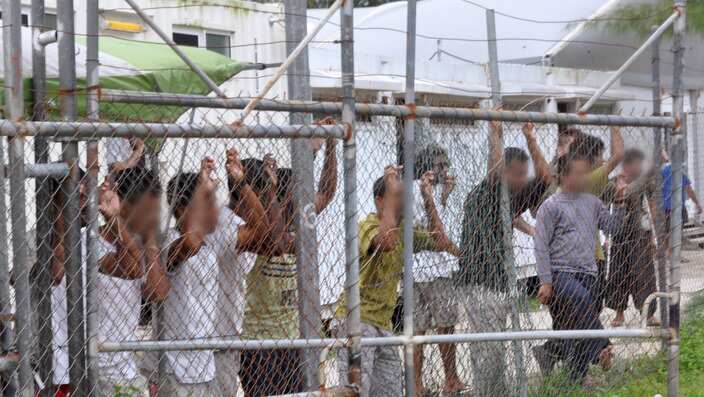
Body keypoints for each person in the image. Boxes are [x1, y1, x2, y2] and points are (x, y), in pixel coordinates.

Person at [334, 165, 458, 397]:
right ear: (381, 201)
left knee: (391, 391)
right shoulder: (365, 226)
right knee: (355, 392)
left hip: (383, 323)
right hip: (356, 321)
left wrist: (428, 198)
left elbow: (440, 241)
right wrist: (392, 193)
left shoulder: (404, 229)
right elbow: (386, 242)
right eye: (398, 196)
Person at [162, 150, 269, 396]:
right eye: (207, 203)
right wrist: (203, 188)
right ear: (181, 208)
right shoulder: (169, 242)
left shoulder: (212, 241)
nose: (215, 210)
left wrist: (241, 183)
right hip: (176, 371)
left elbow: (262, 231)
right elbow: (189, 243)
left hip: (206, 367)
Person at [458, 121, 551, 396]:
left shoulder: (510, 197)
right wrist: (494, 130)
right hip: (480, 283)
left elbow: (545, 178)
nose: (523, 180)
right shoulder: (488, 193)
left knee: (498, 352)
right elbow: (496, 171)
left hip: (500, 281)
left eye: (525, 174)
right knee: (488, 356)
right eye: (518, 174)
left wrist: (530, 139)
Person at [240, 138, 337, 397]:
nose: (305, 200)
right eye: (297, 193)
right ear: (284, 196)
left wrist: (332, 145)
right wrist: (273, 194)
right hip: (259, 340)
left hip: (294, 336)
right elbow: (279, 242)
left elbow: (327, 192)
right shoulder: (261, 229)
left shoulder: (298, 222)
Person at [532, 127, 624, 374]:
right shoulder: (550, 206)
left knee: (578, 321)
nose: (584, 178)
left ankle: (578, 376)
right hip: (561, 273)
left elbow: (612, 226)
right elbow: (540, 245)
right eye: (579, 174)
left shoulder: (592, 202)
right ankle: (603, 347)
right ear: (563, 176)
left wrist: (621, 202)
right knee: (580, 300)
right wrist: (546, 281)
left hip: (589, 271)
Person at [96, 167, 171, 395]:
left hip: (125, 368)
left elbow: (158, 293)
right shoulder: (89, 242)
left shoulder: (146, 246)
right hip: (95, 368)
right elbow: (131, 268)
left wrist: (149, 240)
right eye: (148, 210)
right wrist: (116, 220)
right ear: (124, 205)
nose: (154, 217)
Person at [410, 144, 465, 396]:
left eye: (445, 164)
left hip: (415, 270)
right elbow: (439, 236)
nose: (445, 169)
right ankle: (450, 379)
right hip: (434, 269)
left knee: (418, 328)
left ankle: (417, 385)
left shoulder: (425, 190)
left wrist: (444, 196)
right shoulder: (418, 190)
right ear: (427, 167)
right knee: (445, 325)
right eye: (440, 165)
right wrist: (463, 255)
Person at [603, 149, 659, 327]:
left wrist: (654, 235)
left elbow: (652, 205)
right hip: (619, 234)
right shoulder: (613, 182)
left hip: (640, 234)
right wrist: (606, 235)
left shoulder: (644, 181)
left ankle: (648, 314)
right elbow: (603, 207)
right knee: (618, 274)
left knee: (644, 274)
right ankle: (619, 314)